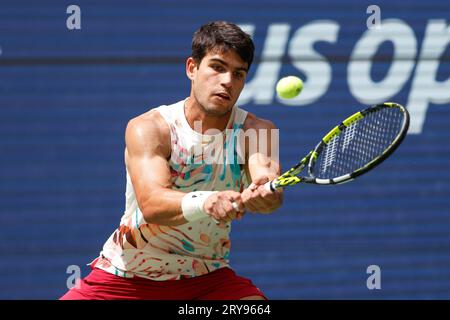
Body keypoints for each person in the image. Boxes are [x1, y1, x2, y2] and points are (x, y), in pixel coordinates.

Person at [60, 21, 283, 300]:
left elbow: (268, 187)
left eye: (238, 73)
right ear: (192, 68)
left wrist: (264, 193)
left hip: (205, 278)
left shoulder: (259, 131)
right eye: (217, 67)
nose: (227, 80)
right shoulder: (150, 127)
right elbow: (153, 204)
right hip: (126, 276)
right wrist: (208, 200)